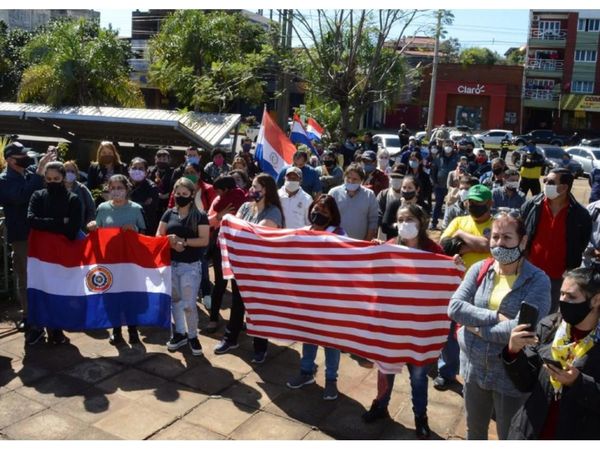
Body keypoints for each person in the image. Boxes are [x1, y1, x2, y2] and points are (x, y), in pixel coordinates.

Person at [448, 210, 551, 439]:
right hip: (474, 369)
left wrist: (473, 327)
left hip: (509, 375)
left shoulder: (538, 281)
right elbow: (454, 308)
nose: (499, 243)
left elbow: (520, 329)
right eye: (495, 237)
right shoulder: (480, 269)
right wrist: (495, 317)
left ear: (522, 241)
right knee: (474, 429)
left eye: (507, 237)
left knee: (509, 434)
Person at [363, 204, 445, 438]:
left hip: (419, 327)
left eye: (409, 219)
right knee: (385, 370)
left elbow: (445, 283)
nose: (405, 223)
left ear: (421, 222)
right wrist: (375, 254)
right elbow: (374, 279)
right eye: (400, 219)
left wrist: (454, 266)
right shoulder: (389, 246)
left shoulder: (435, 252)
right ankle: (380, 406)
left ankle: (421, 417)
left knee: (419, 377)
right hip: (391, 325)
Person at [503, 267, 600, 439]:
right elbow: (525, 383)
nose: (563, 301)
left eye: (571, 296)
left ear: (596, 300)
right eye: (561, 294)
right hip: (529, 432)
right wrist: (513, 352)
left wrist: (578, 382)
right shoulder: (549, 326)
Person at [214, 173, 284, 363]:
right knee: (238, 303)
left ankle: (260, 347)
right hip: (241, 265)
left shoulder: (273, 212)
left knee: (258, 307)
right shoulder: (245, 207)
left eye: (255, 188)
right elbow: (234, 227)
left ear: (266, 190)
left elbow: (257, 234)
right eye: (252, 187)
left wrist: (237, 227)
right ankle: (231, 338)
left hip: (261, 270)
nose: (251, 191)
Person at [286, 194, 345, 401]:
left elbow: (350, 260)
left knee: (331, 341)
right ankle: (306, 372)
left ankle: (331, 380)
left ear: (332, 216)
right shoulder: (302, 232)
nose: (318, 214)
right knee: (308, 334)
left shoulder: (339, 234)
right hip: (307, 297)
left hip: (330, 298)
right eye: (316, 210)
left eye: (324, 212)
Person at [437, 184, 494, 392]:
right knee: (450, 330)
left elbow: (490, 245)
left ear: (489, 203)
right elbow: (444, 245)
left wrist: (461, 237)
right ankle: (446, 371)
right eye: (470, 202)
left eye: (478, 203)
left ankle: (478, 375)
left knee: (479, 331)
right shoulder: (459, 221)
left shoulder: (496, 224)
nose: (473, 206)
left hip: (484, 285)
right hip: (456, 285)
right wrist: (477, 244)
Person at [0, 142, 54, 340]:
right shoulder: (4, 180)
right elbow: (21, 196)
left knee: (45, 274)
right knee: (26, 277)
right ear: (9, 160)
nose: (26, 158)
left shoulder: (29, 173)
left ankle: (47, 314)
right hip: (22, 236)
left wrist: (48, 162)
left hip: (41, 232)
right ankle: (30, 316)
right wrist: (39, 172)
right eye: (20, 156)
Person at [521, 168, 592, 313]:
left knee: (547, 316)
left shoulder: (580, 214)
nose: (545, 184)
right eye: (545, 180)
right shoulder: (532, 206)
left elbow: (581, 242)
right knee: (521, 311)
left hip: (557, 278)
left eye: (551, 182)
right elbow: (521, 232)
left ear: (564, 187)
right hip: (527, 272)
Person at [27, 161, 83, 345]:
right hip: (40, 255)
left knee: (59, 291)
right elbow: (32, 220)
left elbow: (73, 227)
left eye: (56, 179)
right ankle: (36, 328)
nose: (52, 182)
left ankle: (56, 329)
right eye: (48, 178)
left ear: (63, 178)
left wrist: (47, 224)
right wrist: (60, 221)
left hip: (63, 255)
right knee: (40, 289)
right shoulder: (38, 195)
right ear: (44, 179)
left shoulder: (73, 199)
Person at [87, 174, 146, 345]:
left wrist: (134, 229)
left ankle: (133, 330)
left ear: (127, 190)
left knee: (130, 296)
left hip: (130, 261)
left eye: (120, 188)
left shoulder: (136, 208)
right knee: (112, 296)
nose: (116, 191)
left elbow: (145, 233)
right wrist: (91, 227)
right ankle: (116, 330)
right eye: (112, 188)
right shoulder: (103, 208)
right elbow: (97, 230)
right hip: (109, 261)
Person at [157, 177, 209, 356]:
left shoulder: (200, 215)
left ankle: (193, 335)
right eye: (177, 193)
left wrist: (184, 242)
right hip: (171, 264)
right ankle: (180, 333)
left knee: (189, 304)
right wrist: (169, 242)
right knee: (175, 301)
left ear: (192, 194)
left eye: (184, 194)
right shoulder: (169, 213)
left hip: (191, 266)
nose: (180, 197)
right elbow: (159, 235)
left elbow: (204, 239)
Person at [205, 176, 248, 333]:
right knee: (220, 284)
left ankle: (236, 321)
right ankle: (214, 319)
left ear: (226, 189)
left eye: (218, 191)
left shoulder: (246, 203)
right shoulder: (219, 201)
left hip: (238, 246)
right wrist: (220, 215)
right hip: (222, 246)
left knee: (238, 287)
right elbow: (208, 221)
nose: (217, 193)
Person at [329, 164, 379, 241]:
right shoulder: (334, 193)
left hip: (360, 244)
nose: (351, 181)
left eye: (355, 179)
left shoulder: (369, 195)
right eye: (348, 178)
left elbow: (373, 221)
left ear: (361, 181)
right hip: (337, 243)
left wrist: (366, 242)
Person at [430, 140, 459, 230]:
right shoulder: (438, 158)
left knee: (452, 205)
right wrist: (434, 183)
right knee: (438, 204)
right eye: (446, 145)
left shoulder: (457, 158)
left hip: (452, 187)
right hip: (439, 186)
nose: (448, 147)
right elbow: (433, 171)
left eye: (450, 145)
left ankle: (451, 225)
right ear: (443, 146)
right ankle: (434, 223)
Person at [128, 157, 159, 235]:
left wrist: (126, 203)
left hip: (144, 229)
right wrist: (142, 203)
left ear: (146, 172)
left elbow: (148, 210)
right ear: (129, 169)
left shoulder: (152, 188)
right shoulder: (123, 185)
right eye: (134, 168)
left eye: (141, 169)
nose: (137, 171)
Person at [63, 160, 95, 232]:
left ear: (76, 174)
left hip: (80, 232)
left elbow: (91, 208)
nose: (69, 173)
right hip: (60, 233)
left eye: (72, 171)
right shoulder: (56, 188)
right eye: (67, 170)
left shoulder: (82, 189)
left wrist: (87, 226)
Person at [377, 165, 404, 240]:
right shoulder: (383, 194)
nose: (395, 180)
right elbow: (378, 213)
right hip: (384, 233)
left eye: (399, 178)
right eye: (393, 177)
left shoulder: (408, 195)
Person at [147, 148, 174, 218]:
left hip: (167, 201)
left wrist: (168, 194)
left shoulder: (173, 172)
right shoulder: (150, 171)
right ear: (155, 159)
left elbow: (176, 185)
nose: (161, 161)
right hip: (153, 201)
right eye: (159, 159)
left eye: (164, 159)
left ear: (169, 160)